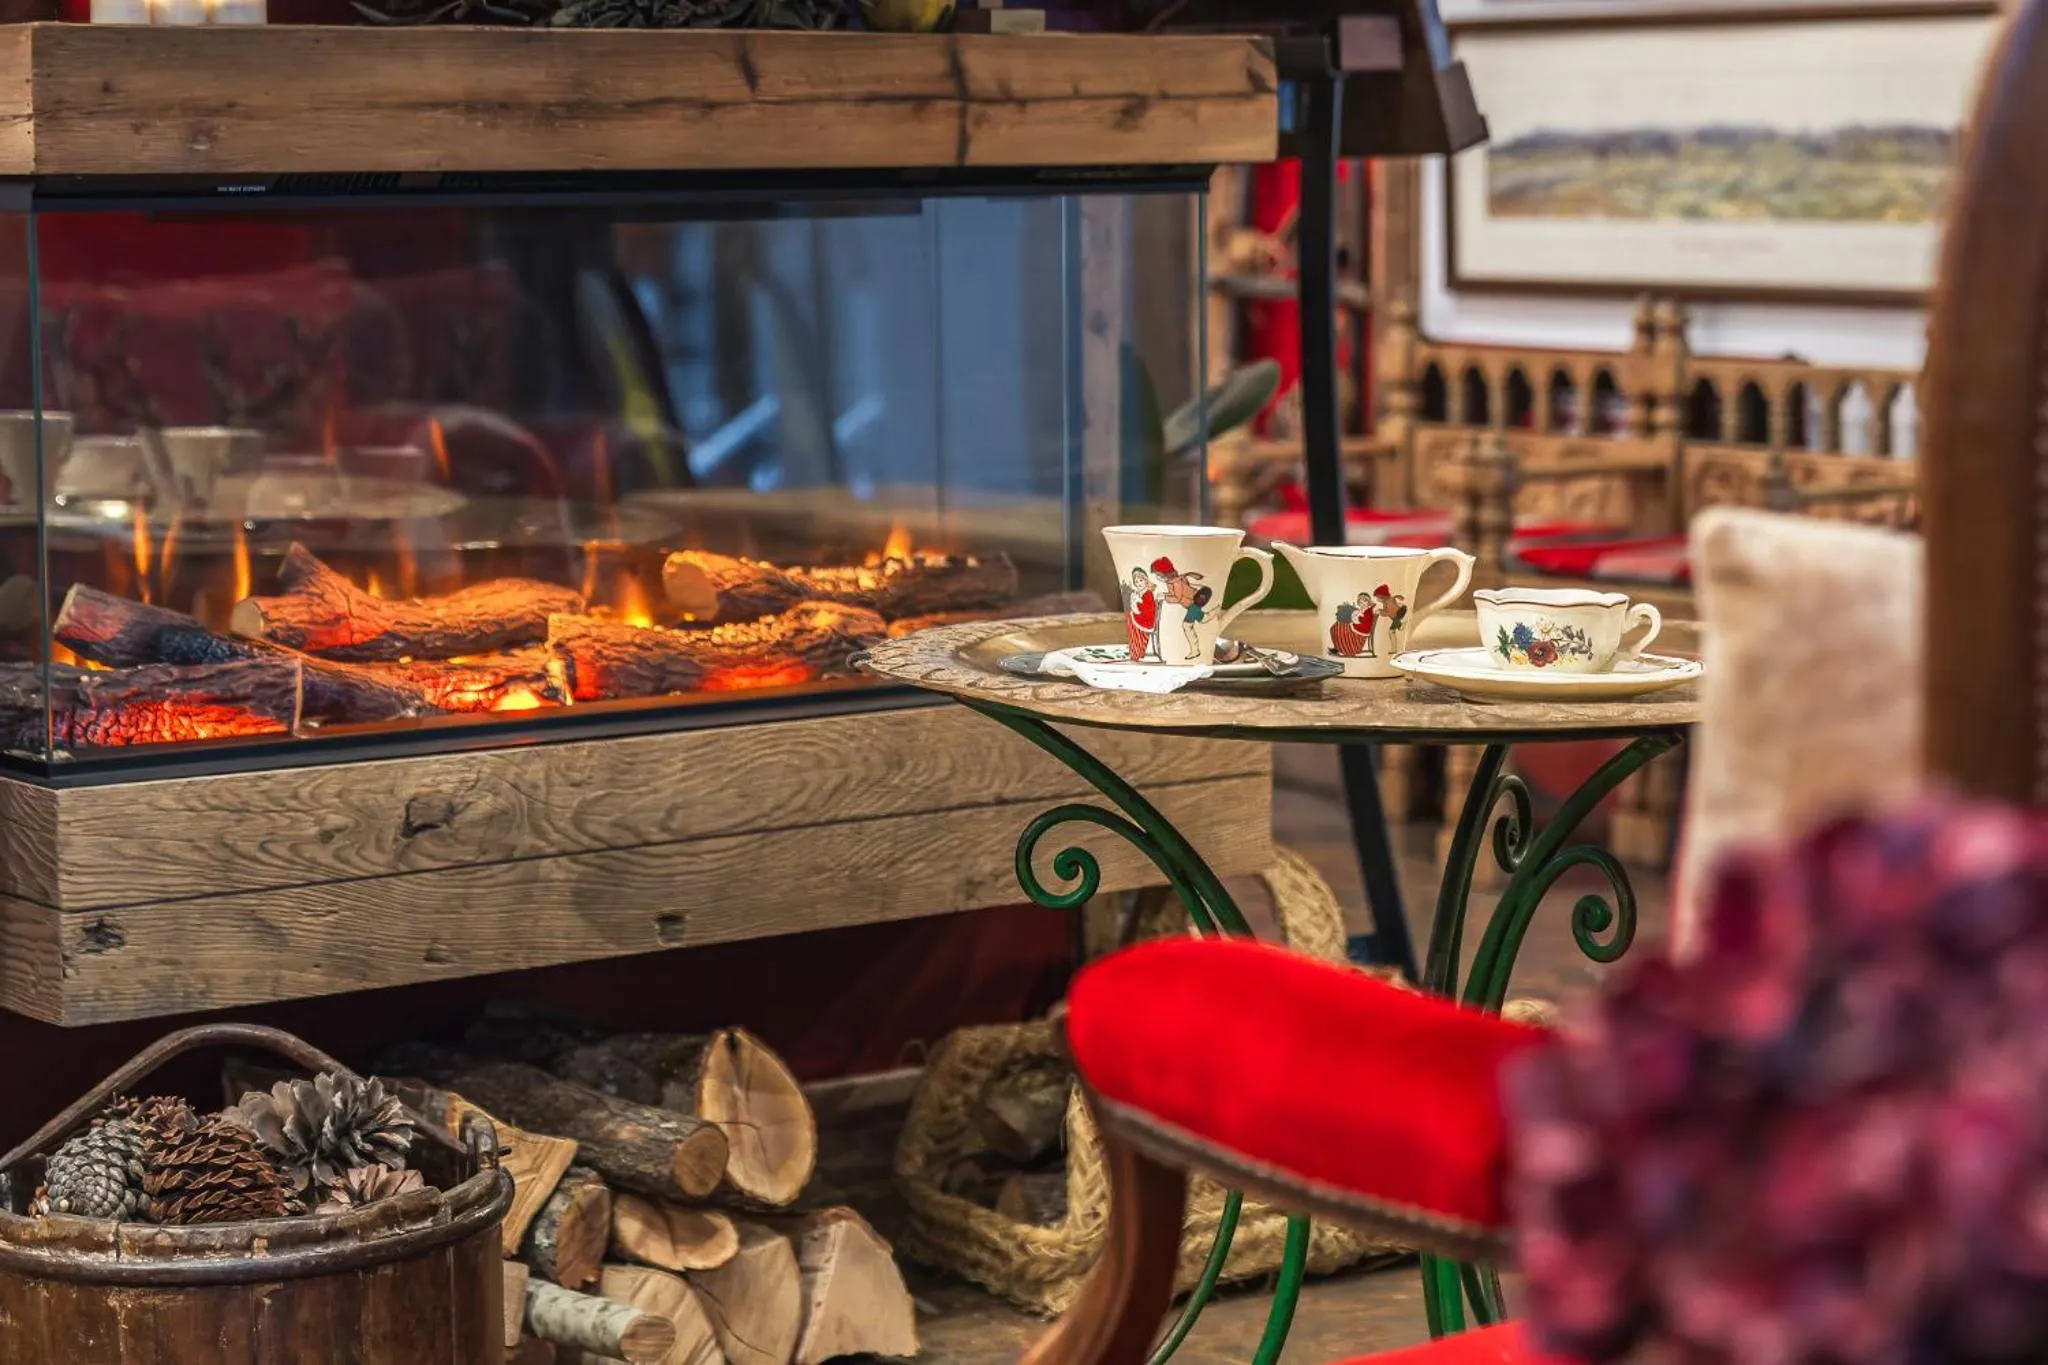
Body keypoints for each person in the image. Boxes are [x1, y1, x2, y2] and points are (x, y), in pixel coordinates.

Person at [1124, 565, 1159, 661]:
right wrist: (1135, 602)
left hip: (1147, 620)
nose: (1138, 583)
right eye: (1136, 581)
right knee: (1127, 616)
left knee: (1129, 618)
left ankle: (1138, 649)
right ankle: (1133, 645)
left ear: (1146, 580)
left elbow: (1148, 610)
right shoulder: (1139, 593)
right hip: (1141, 616)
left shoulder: (1148, 593)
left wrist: (1138, 602)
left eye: (1141, 580)